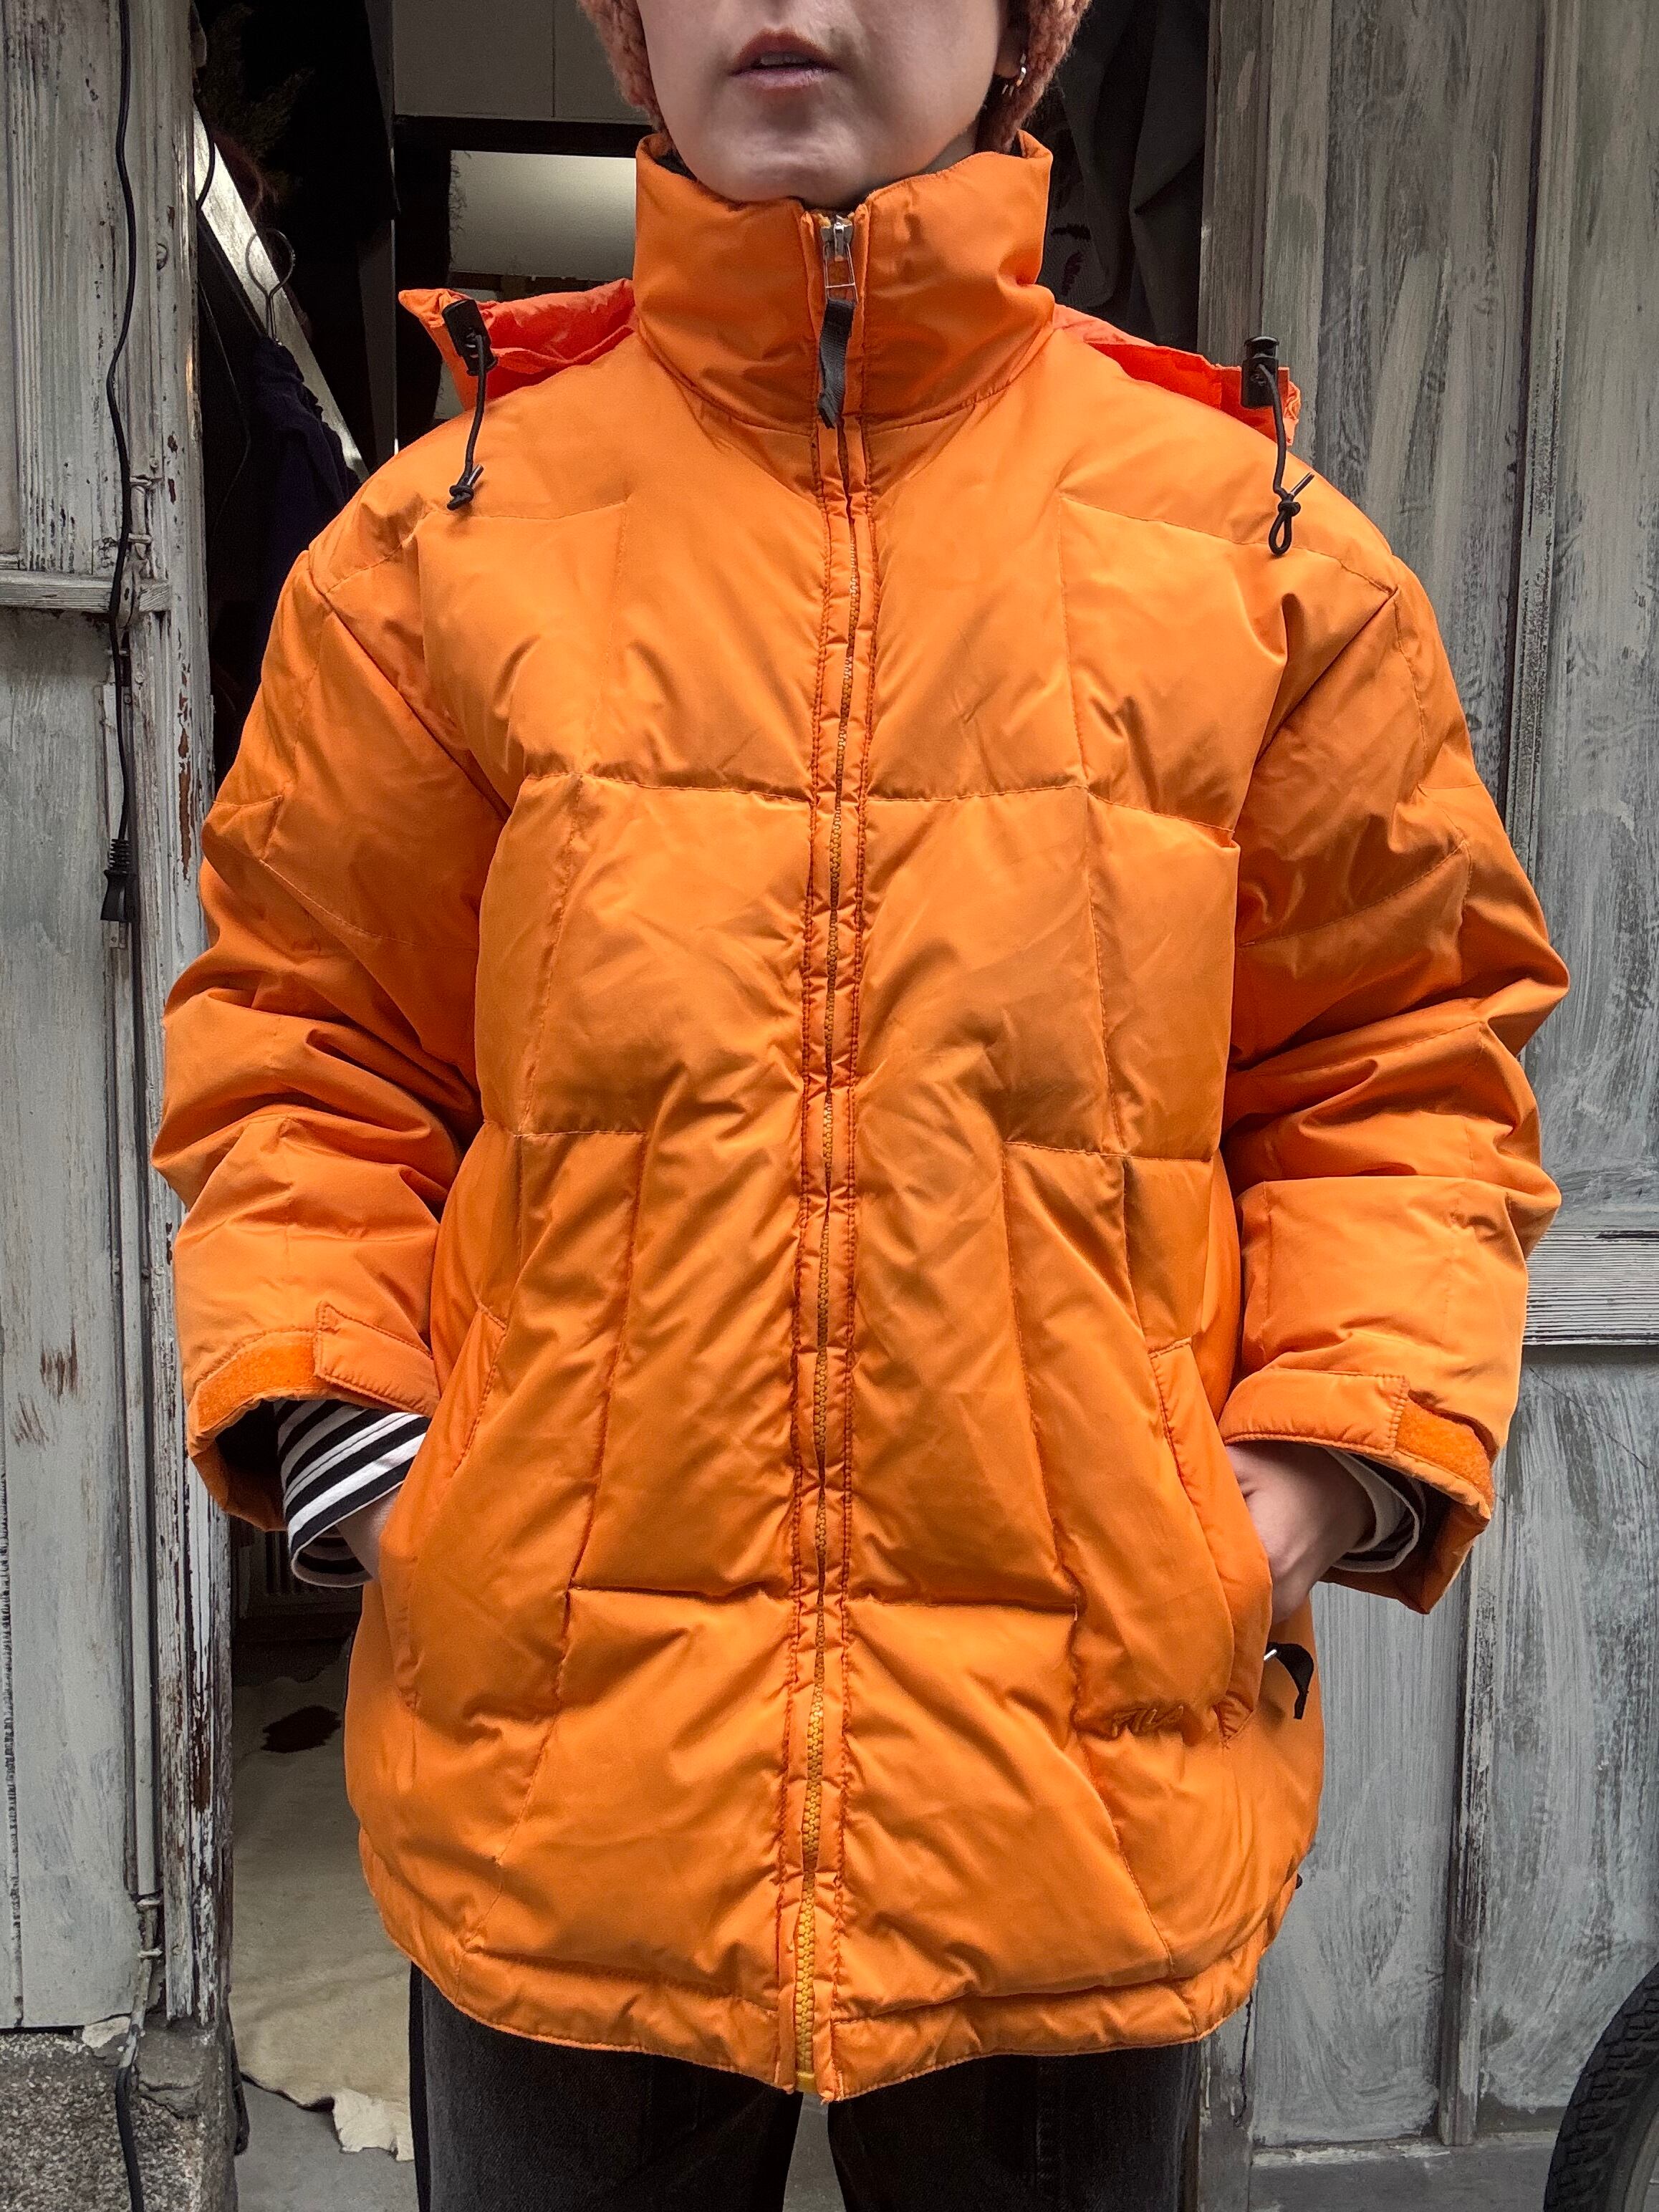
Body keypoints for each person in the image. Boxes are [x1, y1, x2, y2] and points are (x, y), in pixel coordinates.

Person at [151, 2, 1569, 2205]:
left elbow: (1399, 1065)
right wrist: (378, 1459)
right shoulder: (445, 546)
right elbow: (309, 1047)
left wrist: (1309, 1472)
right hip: (558, 1780)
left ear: (1017, 32)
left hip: (1073, 1792)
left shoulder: (1251, 551)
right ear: (632, 30)